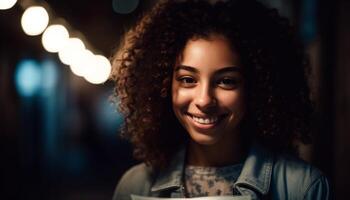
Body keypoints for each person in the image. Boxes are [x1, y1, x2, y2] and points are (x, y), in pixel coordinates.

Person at [110, 0, 330, 199]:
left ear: (257, 87)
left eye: (226, 81)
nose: (204, 100)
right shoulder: (134, 186)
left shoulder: (303, 188)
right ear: (164, 85)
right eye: (187, 79)